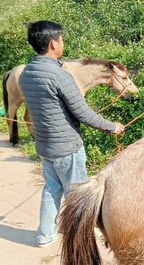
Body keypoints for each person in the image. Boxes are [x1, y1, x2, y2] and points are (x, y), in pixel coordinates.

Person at [19, 20, 125, 248]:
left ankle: (45, 235)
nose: (63, 42)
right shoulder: (61, 76)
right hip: (67, 146)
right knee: (76, 193)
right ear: (52, 43)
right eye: (61, 38)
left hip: (45, 146)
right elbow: (83, 113)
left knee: (51, 189)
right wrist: (111, 125)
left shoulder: (26, 73)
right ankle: (82, 235)